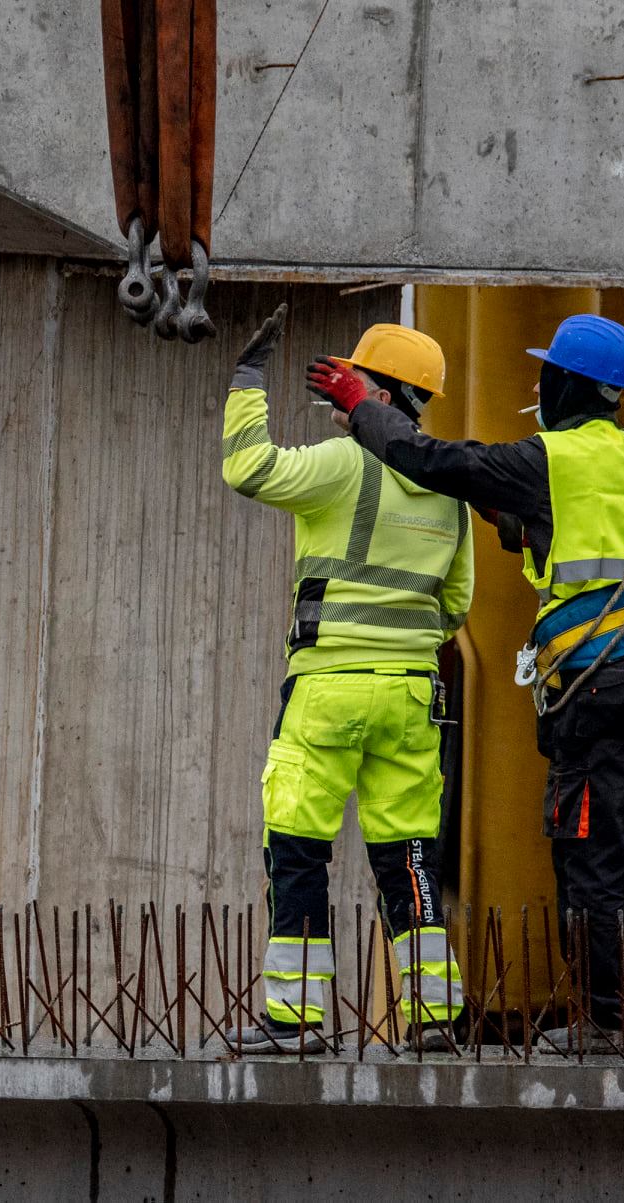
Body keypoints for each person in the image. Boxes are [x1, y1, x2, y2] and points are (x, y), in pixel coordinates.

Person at [308, 313, 624, 1051]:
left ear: (568, 384)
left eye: (545, 374)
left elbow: (433, 460)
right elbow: (582, 536)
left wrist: (363, 407)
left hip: (601, 681)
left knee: (591, 850)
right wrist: (507, 508)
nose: (536, 385)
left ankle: (606, 1025)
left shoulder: (554, 458)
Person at [222, 304, 473, 1054]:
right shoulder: (450, 490)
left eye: (354, 386)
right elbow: (456, 604)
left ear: (382, 397)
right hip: (409, 695)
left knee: (298, 845)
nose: (341, 399)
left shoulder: (341, 465)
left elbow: (248, 467)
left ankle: (297, 1021)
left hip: (328, 688)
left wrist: (246, 381)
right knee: (410, 862)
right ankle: (436, 1019)